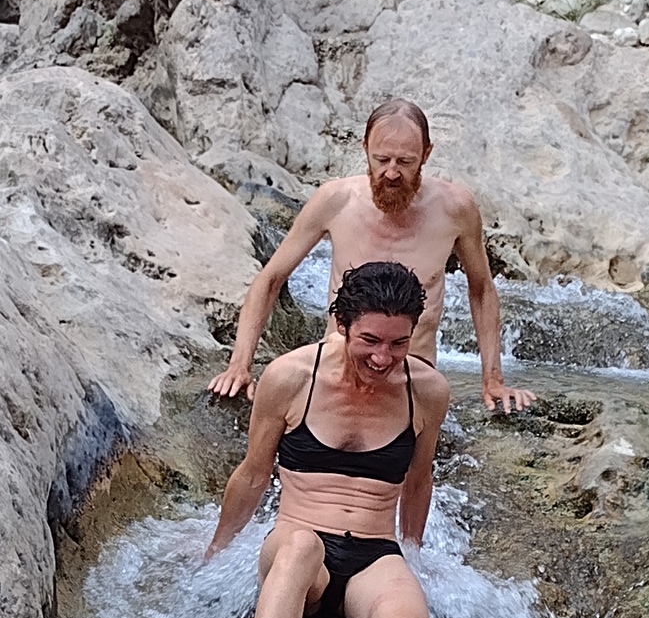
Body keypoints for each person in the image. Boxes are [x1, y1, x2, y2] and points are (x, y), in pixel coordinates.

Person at [206, 261, 482, 618]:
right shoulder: (291, 377)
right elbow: (254, 474)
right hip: (299, 548)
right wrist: (215, 549)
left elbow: (418, 479)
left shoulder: (426, 391)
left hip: (373, 552)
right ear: (341, 324)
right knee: (301, 546)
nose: (382, 357)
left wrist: (413, 555)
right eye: (370, 341)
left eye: (398, 343)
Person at [208, 98, 535, 414]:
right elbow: (271, 278)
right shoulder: (335, 200)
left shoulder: (455, 208)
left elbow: (481, 290)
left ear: (426, 154)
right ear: (365, 148)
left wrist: (493, 380)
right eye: (381, 159)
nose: (391, 173)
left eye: (405, 162)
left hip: (412, 378)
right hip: (338, 370)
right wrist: (240, 365)